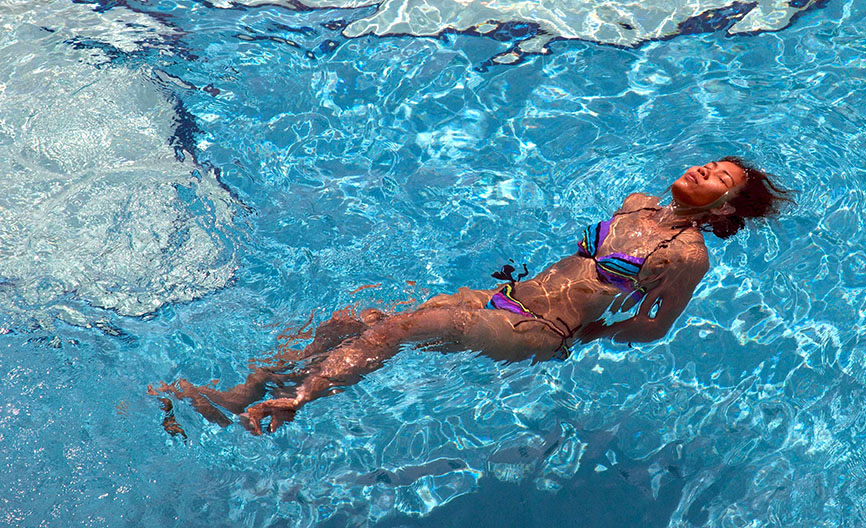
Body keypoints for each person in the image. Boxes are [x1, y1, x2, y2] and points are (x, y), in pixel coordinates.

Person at [158, 156, 793, 435]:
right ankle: (246, 389)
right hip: (507, 299)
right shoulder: (636, 205)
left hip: (538, 332)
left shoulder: (687, 256)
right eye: (710, 163)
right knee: (355, 318)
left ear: (726, 207)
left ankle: (294, 400)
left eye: (721, 178)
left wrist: (594, 334)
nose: (705, 171)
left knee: (399, 331)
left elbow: (655, 327)